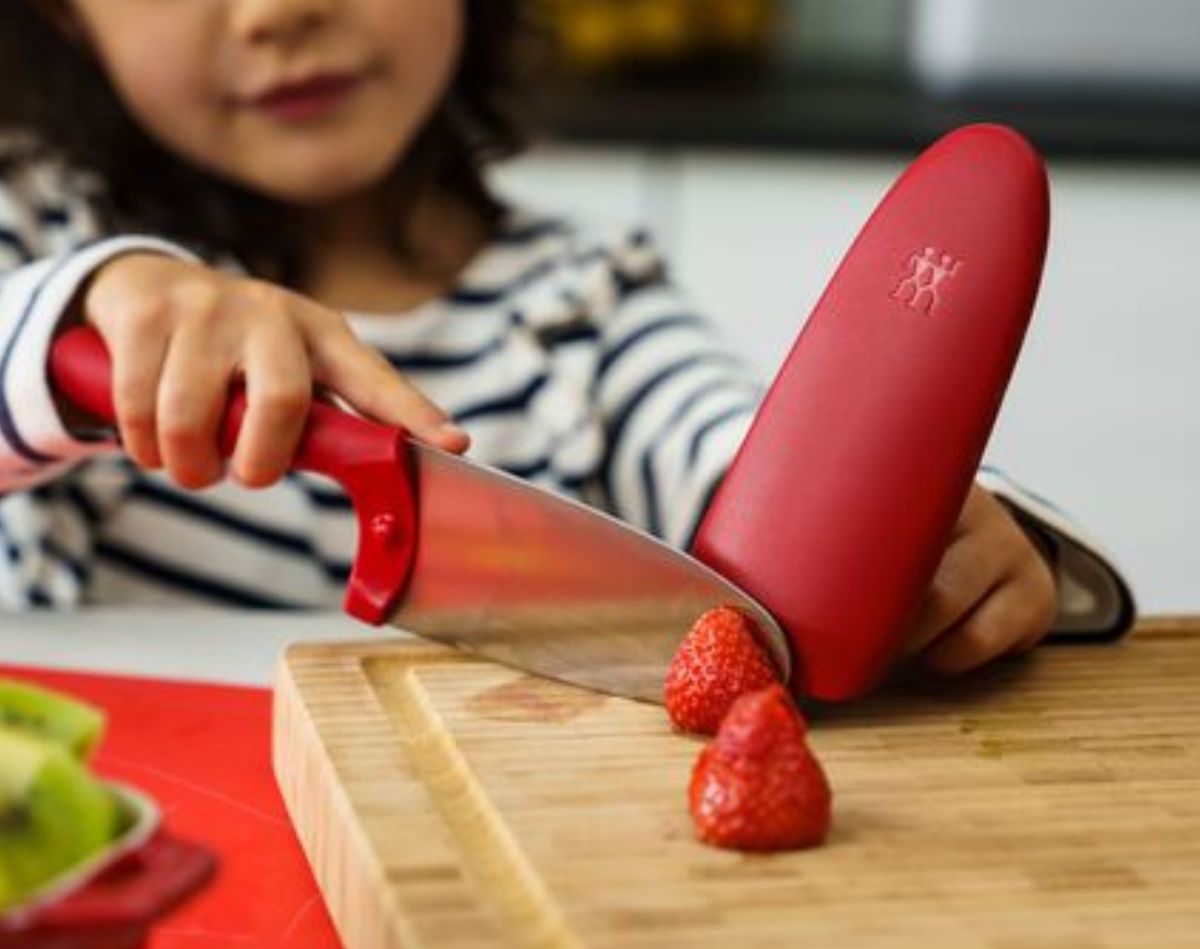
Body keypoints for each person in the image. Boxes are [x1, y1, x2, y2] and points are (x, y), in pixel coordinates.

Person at [0, 0, 1132, 675]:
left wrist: (941, 539)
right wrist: (80, 313)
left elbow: (755, 473)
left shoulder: (586, 307)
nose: (276, 12)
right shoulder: (41, 245)